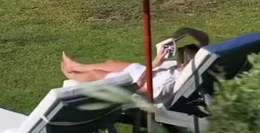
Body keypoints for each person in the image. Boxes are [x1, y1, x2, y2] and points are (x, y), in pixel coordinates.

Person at [61, 28, 210, 98]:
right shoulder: (193, 69)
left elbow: (138, 87)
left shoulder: (166, 86)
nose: (176, 62)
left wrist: (155, 63)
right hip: (147, 73)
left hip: (138, 82)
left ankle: (71, 75)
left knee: (96, 74)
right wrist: (185, 32)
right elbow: (204, 40)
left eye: (179, 61)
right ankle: (76, 66)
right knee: (112, 62)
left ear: (184, 65)